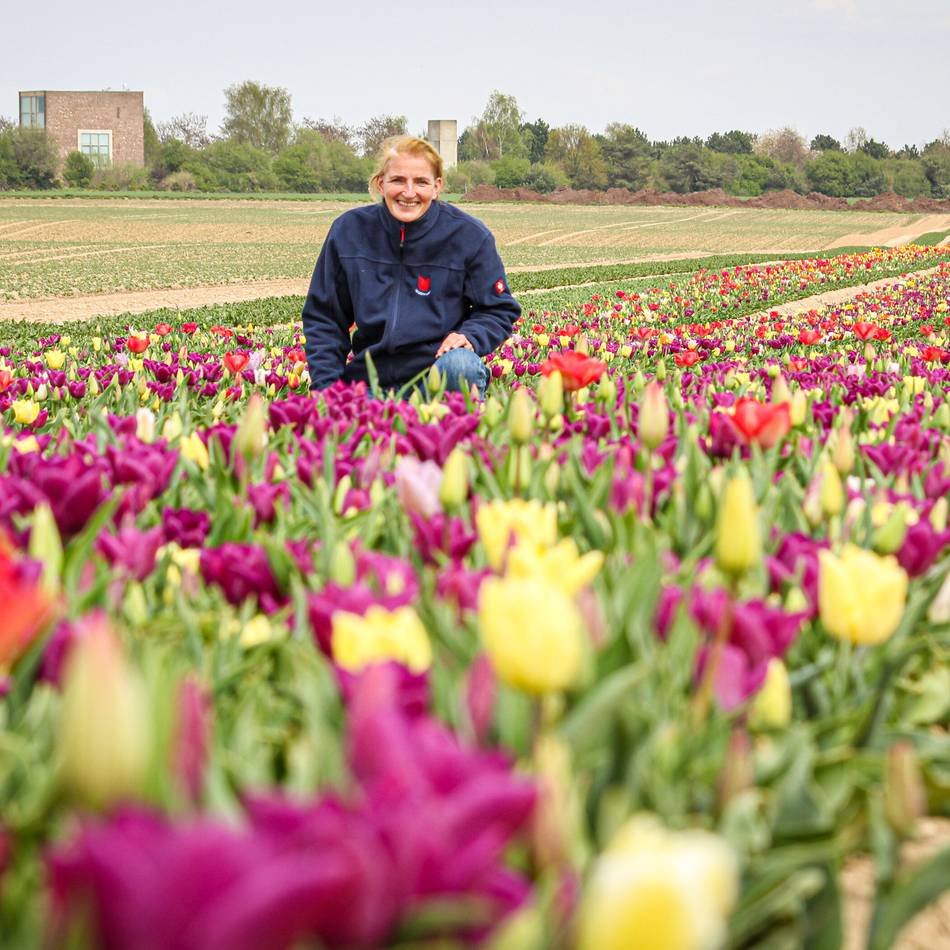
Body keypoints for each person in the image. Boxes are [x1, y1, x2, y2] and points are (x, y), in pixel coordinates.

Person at [302, 135, 520, 397]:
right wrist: (326, 389)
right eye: (397, 180)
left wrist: (470, 337)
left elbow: (499, 308)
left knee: (460, 364)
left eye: (421, 182)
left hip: (436, 375)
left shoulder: (468, 236)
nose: (408, 192)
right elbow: (325, 317)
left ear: (436, 187)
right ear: (381, 184)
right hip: (371, 381)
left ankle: (456, 428)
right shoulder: (349, 232)